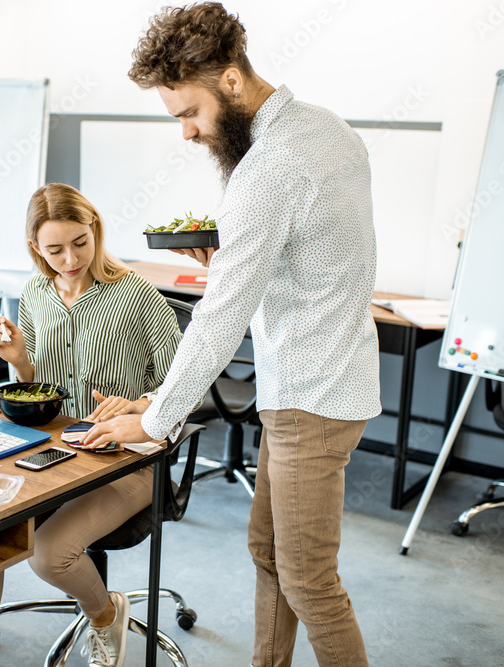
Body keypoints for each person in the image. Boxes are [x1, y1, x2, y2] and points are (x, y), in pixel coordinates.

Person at [84, 4, 381, 666]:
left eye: (189, 112)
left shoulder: (267, 168)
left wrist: (157, 418)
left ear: (231, 82)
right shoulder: (324, 129)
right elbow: (321, 255)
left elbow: (220, 318)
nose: (186, 133)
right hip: (318, 378)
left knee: (310, 580)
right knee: (267, 550)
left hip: (313, 393)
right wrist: (236, 260)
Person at [0, 183, 183, 667]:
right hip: (55, 449)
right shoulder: (35, 292)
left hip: (129, 459)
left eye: (80, 242)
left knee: (48, 552)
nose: (70, 258)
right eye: (54, 249)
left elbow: (185, 384)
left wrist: (139, 405)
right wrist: (20, 361)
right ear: (36, 247)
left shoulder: (135, 293)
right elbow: (35, 384)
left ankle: (105, 615)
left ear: (95, 230)